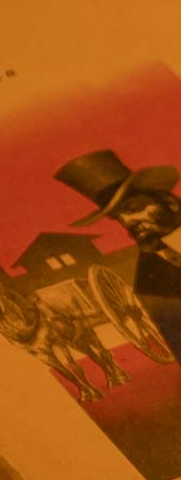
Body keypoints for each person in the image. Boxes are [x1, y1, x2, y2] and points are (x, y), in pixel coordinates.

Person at [54, 148, 181, 361]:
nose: (128, 221)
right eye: (117, 217)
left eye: (133, 207)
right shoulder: (151, 279)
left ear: (169, 202)